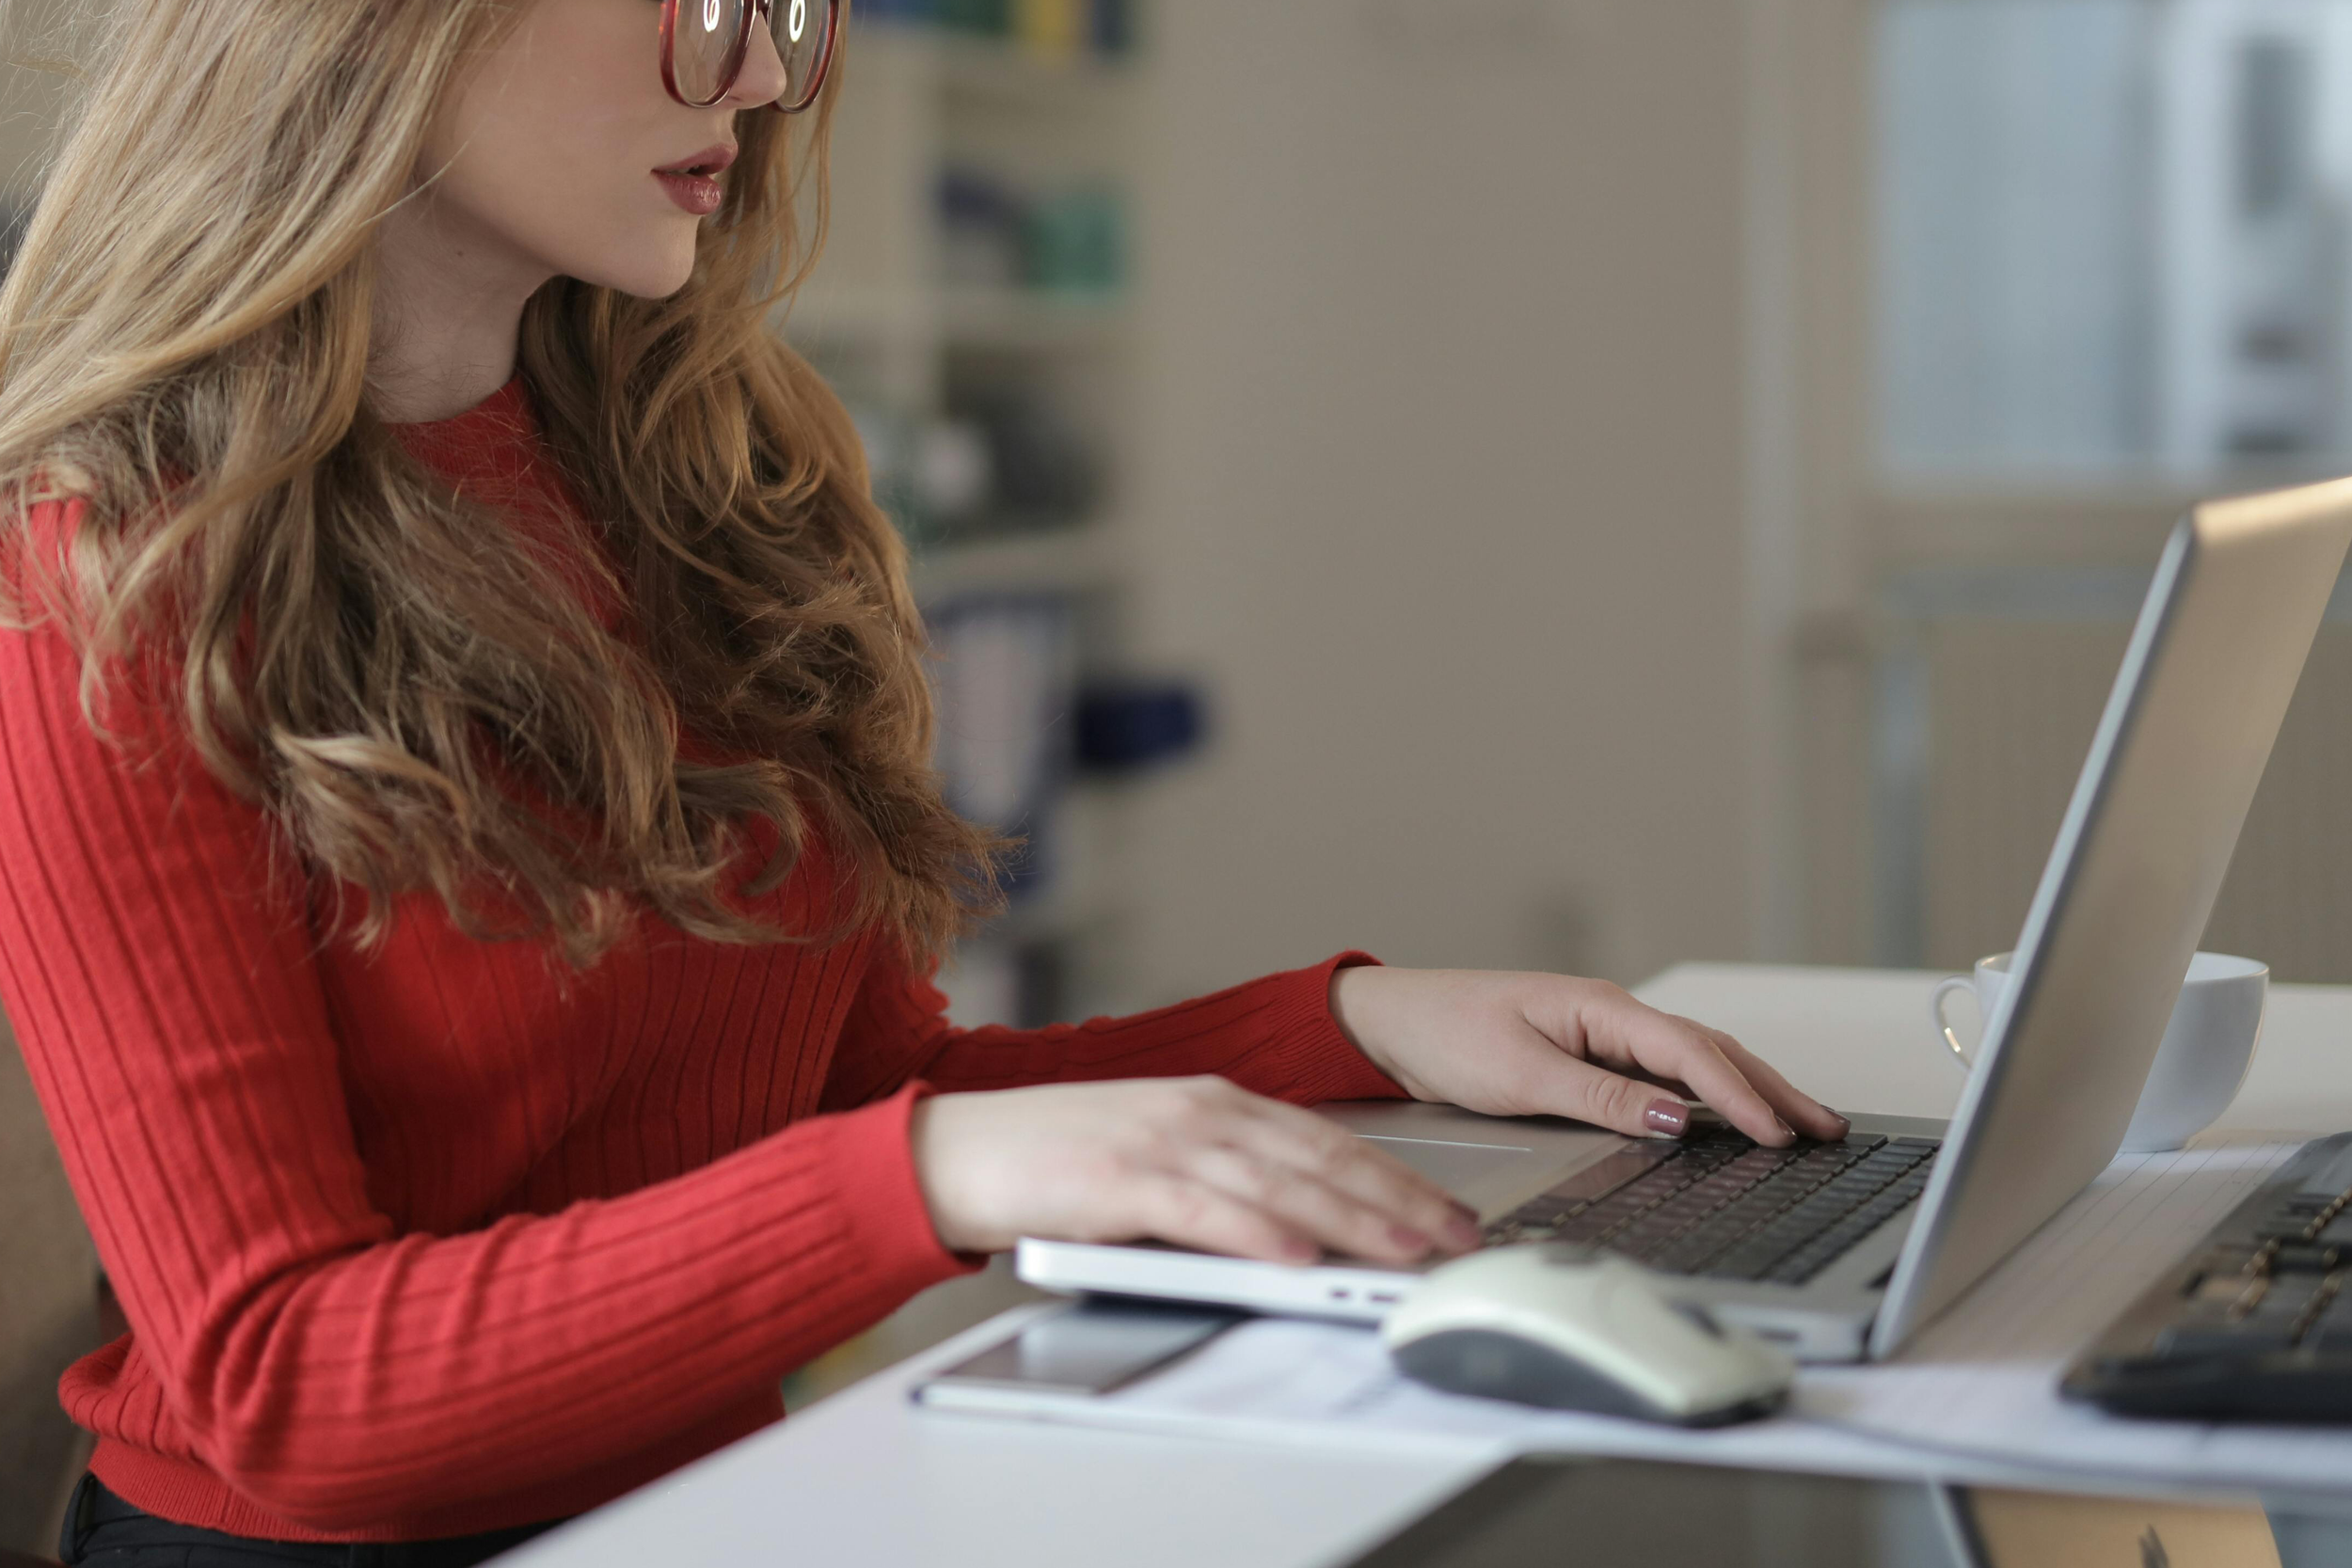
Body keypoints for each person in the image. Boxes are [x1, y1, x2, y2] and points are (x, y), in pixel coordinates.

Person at [0, 3, 1848, 1562]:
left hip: (732, 1492)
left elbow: (859, 1103)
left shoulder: (701, 483)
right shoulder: (92, 581)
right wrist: (934, 1167)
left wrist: (1355, 1024)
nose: (764, 81)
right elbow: (277, 1383)